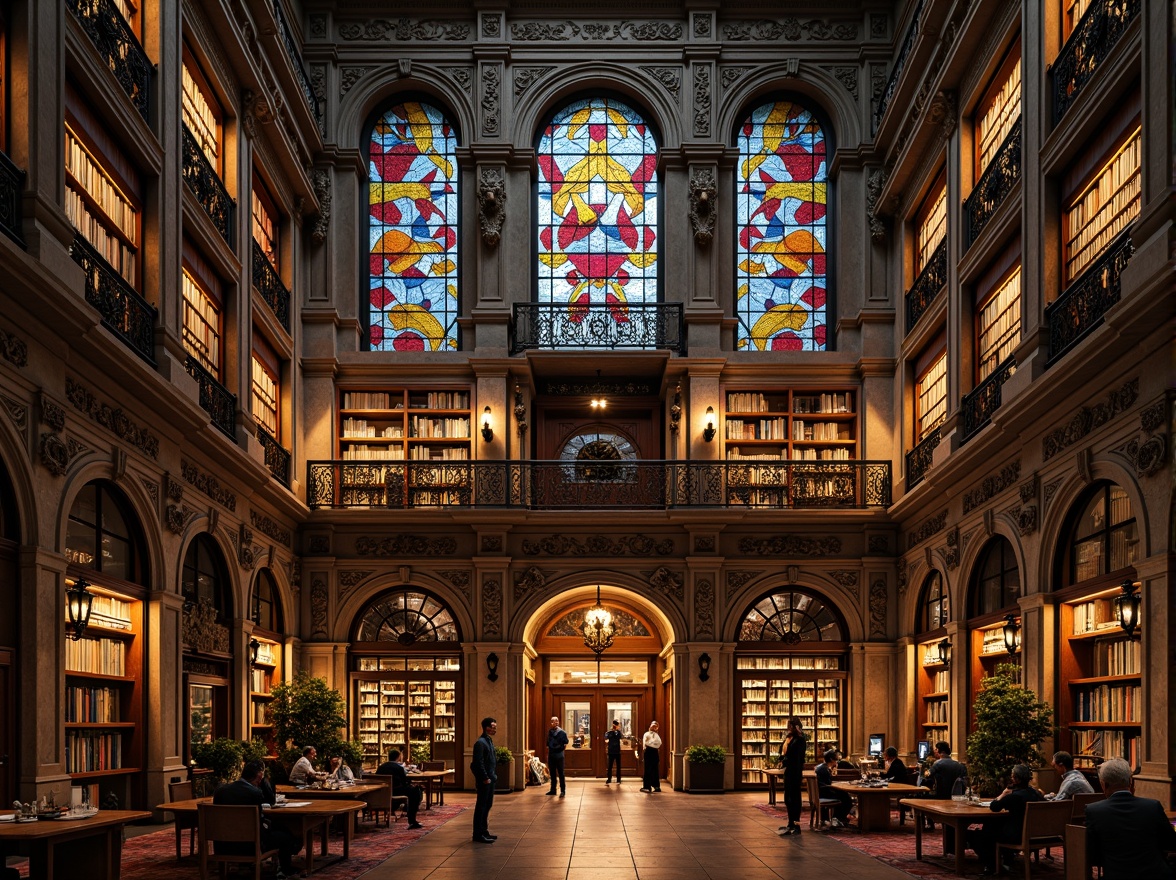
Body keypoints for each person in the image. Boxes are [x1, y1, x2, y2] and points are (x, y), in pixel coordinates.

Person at [1085, 757, 1176, 880]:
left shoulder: (1094, 811)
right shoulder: (1152, 806)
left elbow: (1092, 854)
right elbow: (1170, 842)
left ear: (1103, 784)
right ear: (1130, 781)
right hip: (1155, 875)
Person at [213, 759, 301, 879]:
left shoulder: (220, 791)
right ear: (259, 776)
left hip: (222, 845)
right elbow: (262, 817)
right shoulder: (254, 793)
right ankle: (286, 870)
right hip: (250, 845)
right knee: (285, 836)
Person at [966, 764, 1043, 876]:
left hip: (1016, 835)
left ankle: (991, 864)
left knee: (976, 832)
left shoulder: (1015, 796)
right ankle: (1007, 858)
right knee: (991, 828)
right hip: (1037, 834)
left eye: (1012, 777)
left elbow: (994, 806)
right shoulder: (1036, 794)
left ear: (1016, 779)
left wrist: (1003, 794)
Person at [925, 740, 968, 852]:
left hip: (940, 797)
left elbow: (928, 776)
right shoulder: (959, 765)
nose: (934, 751)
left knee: (923, 798)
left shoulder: (938, 764)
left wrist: (924, 772)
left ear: (939, 751)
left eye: (935, 749)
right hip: (957, 798)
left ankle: (929, 824)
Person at [374, 748, 423, 829]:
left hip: (382, 792)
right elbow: (405, 782)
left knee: (412, 790)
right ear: (398, 757)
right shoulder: (399, 768)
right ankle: (412, 820)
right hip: (396, 791)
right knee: (415, 792)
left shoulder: (380, 767)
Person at [777, 717, 806, 836]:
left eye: (790, 726)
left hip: (795, 772)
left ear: (796, 727)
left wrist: (785, 761)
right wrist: (782, 759)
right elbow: (783, 752)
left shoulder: (800, 740)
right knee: (788, 798)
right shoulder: (789, 739)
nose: (788, 728)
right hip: (788, 772)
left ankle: (797, 825)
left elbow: (796, 756)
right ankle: (790, 823)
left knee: (795, 799)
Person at [470, 717, 498, 843]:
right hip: (485, 780)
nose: (494, 729)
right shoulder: (480, 743)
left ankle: (484, 831)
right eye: (492, 727)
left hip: (490, 779)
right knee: (481, 806)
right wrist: (485, 777)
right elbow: (477, 763)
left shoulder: (489, 741)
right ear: (486, 727)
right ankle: (478, 834)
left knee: (487, 805)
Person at [815, 748, 852, 827]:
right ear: (831, 759)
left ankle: (837, 818)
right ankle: (838, 819)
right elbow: (827, 785)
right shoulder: (824, 769)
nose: (837, 760)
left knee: (843, 794)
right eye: (836, 759)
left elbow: (826, 783)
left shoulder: (821, 767)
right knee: (846, 798)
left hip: (821, 792)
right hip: (824, 793)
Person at [546, 716, 568, 797]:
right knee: (552, 773)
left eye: (555, 721)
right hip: (551, 754)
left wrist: (560, 750)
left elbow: (565, 743)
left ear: (558, 722)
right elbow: (548, 743)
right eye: (552, 721)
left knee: (561, 773)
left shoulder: (562, 733)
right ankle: (553, 790)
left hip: (559, 755)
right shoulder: (550, 732)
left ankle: (562, 790)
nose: (553, 723)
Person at [640, 720, 662, 792]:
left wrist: (650, 744)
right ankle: (647, 786)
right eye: (652, 726)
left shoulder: (657, 736)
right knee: (648, 769)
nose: (653, 728)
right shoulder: (647, 734)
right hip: (648, 751)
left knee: (654, 769)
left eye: (655, 726)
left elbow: (658, 743)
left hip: (653, 752)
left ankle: (655, 786)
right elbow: (645, 743)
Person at [604, 719, 623, 784]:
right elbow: (606, 738)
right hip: (611, 751)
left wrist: (616, 731)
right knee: (610, 766)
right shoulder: (609, 732)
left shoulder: (619, 732)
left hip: (617, 751)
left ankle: (618, 779)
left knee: (618, 766)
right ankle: (609, 778)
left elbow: (620, 737)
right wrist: (612, 731)